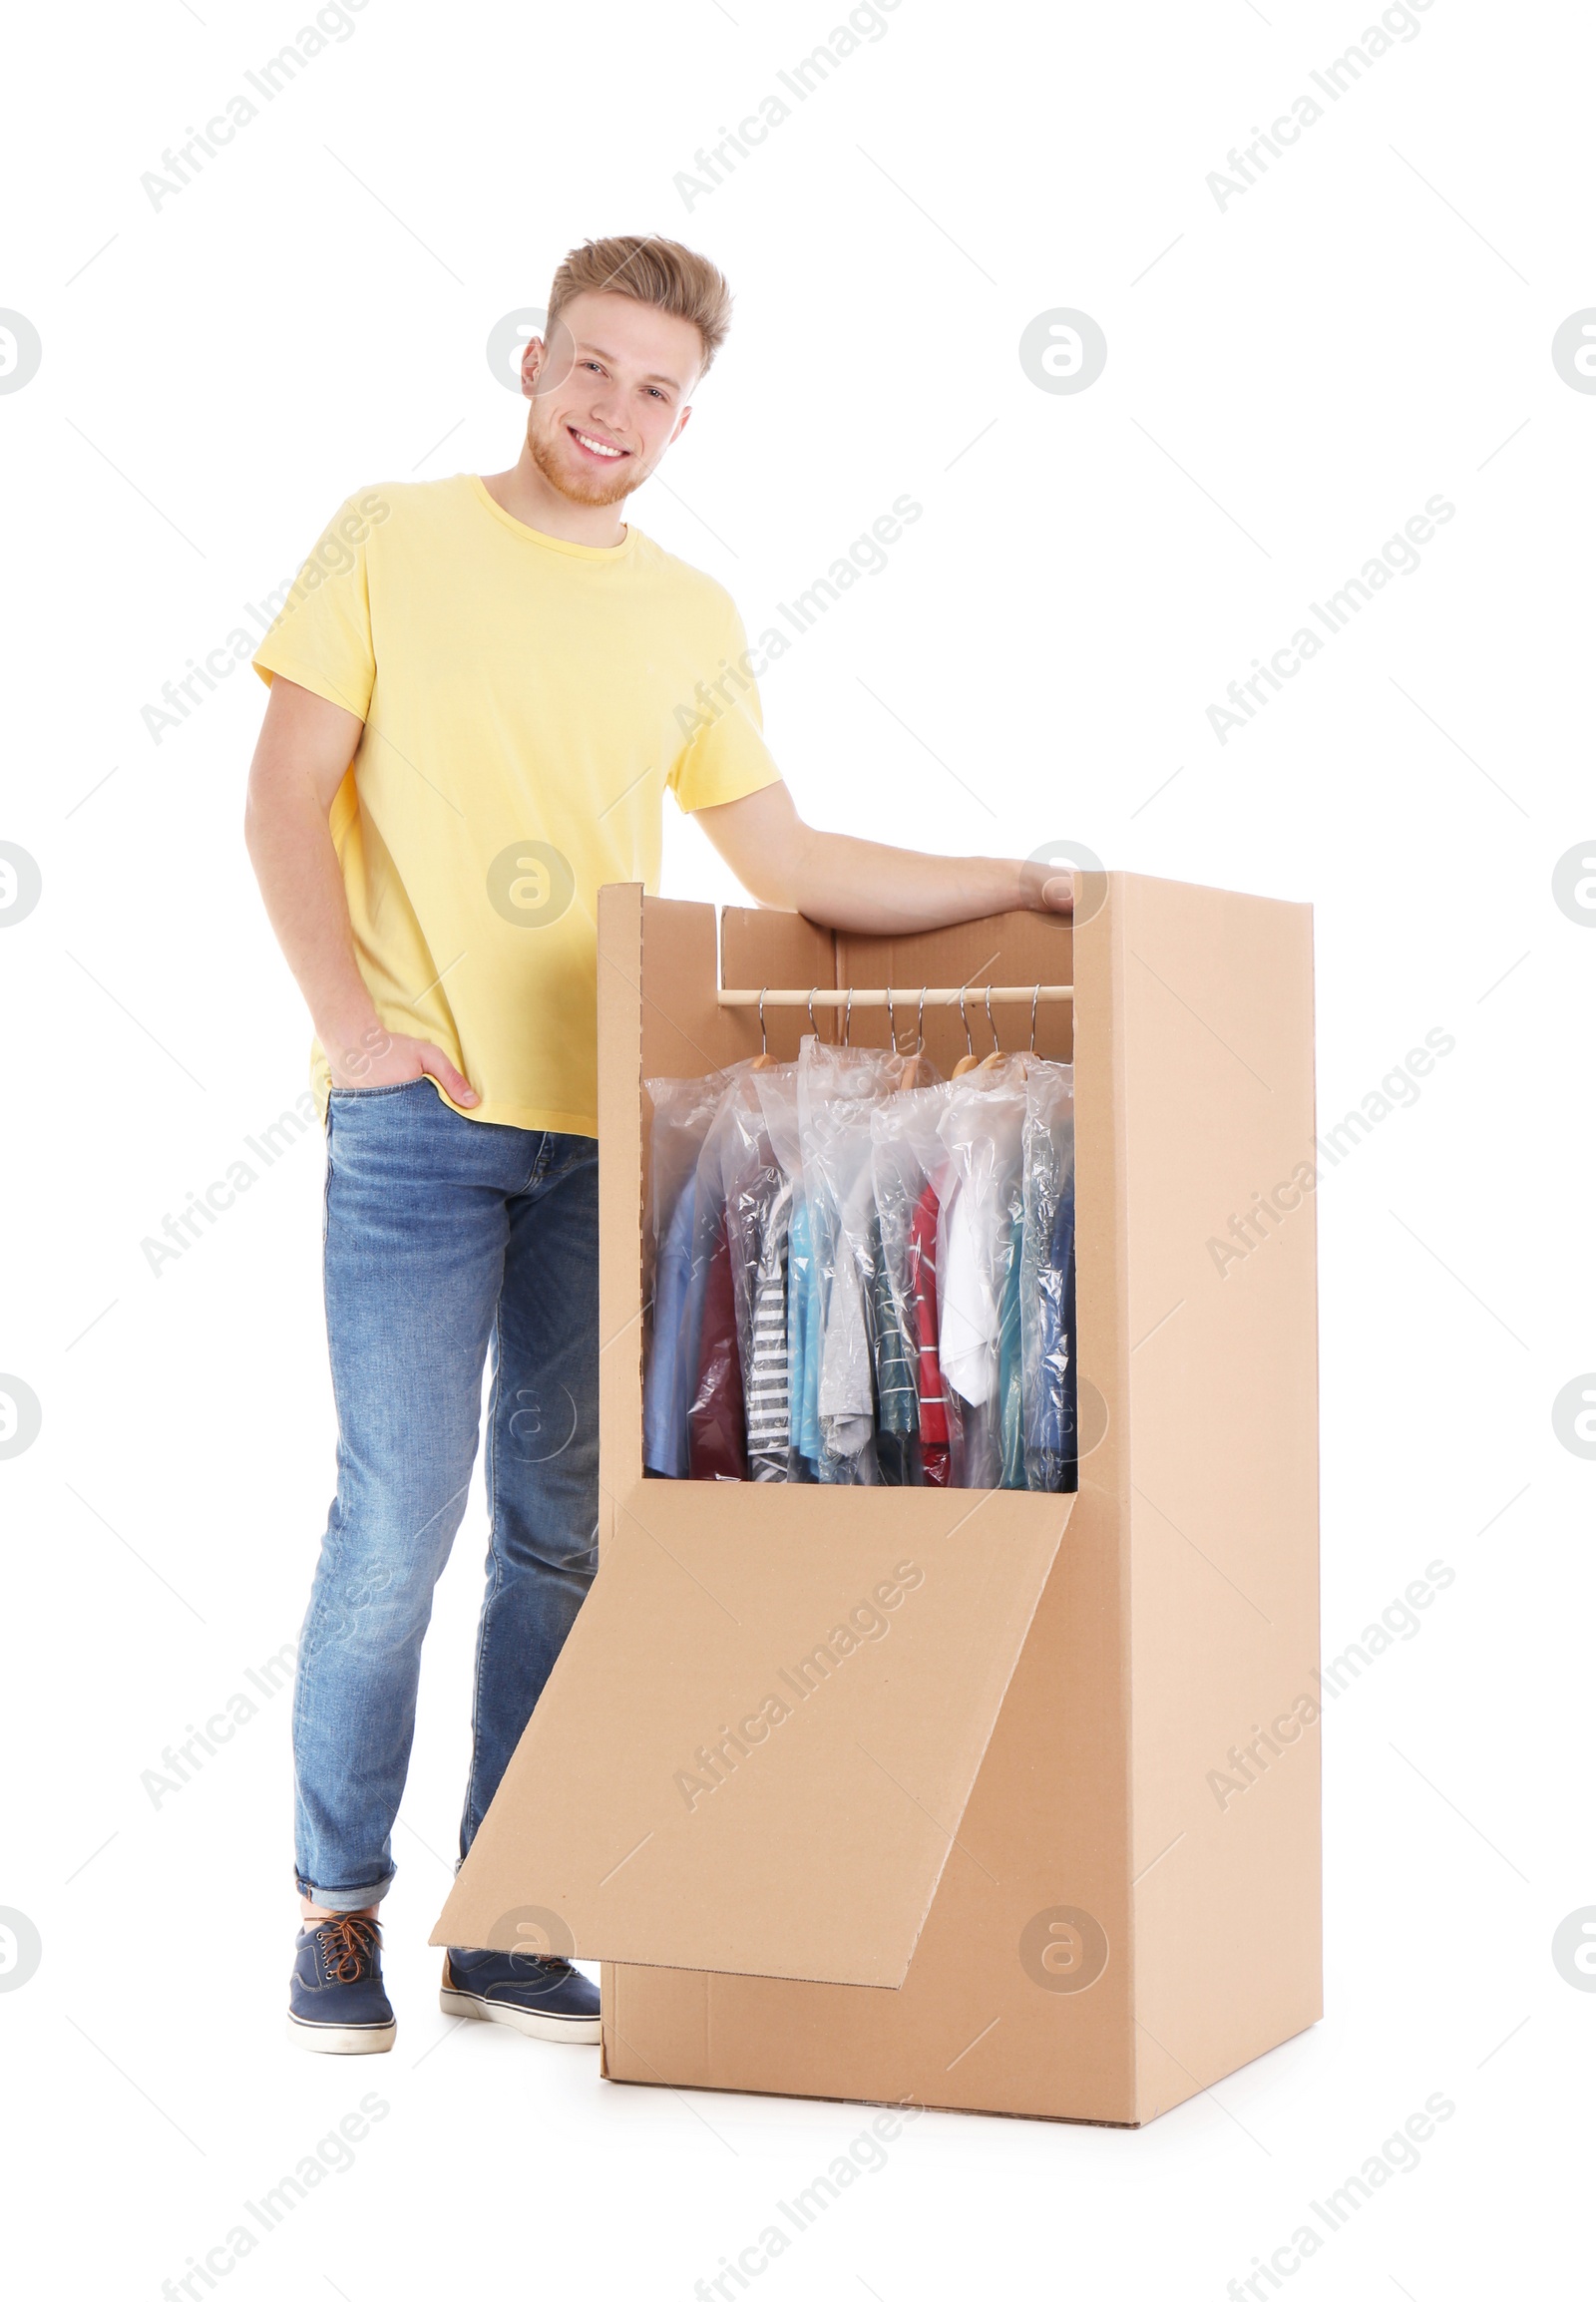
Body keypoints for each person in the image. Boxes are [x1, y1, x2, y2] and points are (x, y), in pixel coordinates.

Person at [244, 234, 1073, 2055]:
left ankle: (510, 1924)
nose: (615, 412)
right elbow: (283, 793)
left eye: (657, 392)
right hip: (420, 1129)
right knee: (398, 1520)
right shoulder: (391, 536)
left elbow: (782, 865)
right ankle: (337, 1912)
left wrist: (1012, 879)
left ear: (689, 418)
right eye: (593, 369)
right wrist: (355, 1034)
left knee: (562, 1535)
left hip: (601, 1124)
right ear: (534, 360)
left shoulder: (689, 615)